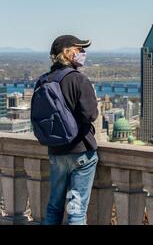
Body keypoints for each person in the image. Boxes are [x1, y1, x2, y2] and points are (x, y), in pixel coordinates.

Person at [39, 35, 99, 225]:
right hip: (81, 152)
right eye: (79, 49)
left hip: (56, 151)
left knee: (53, 207)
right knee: (77, 211)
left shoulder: (44, 81)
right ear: (68, 53)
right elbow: (90, 115)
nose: (82, 53)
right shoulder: (78, 80)